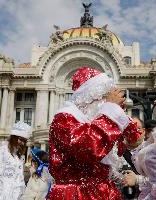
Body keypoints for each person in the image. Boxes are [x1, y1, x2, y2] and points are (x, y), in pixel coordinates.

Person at [47, 66, 141, 200]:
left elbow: (132, 140)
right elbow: (89, 148)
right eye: (105, 97)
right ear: (90, 97)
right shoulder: (64, 119)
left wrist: (121, 117)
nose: (106, 103)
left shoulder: (99, 121)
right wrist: (111, 110)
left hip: (103, 192)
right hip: (76, 195)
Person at [0, 121, 31, 200]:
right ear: (14, 138)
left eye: (24, 141)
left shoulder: (17, 157)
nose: (22, 143)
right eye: (20, 139)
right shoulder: (2, 152)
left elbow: (20, 180)